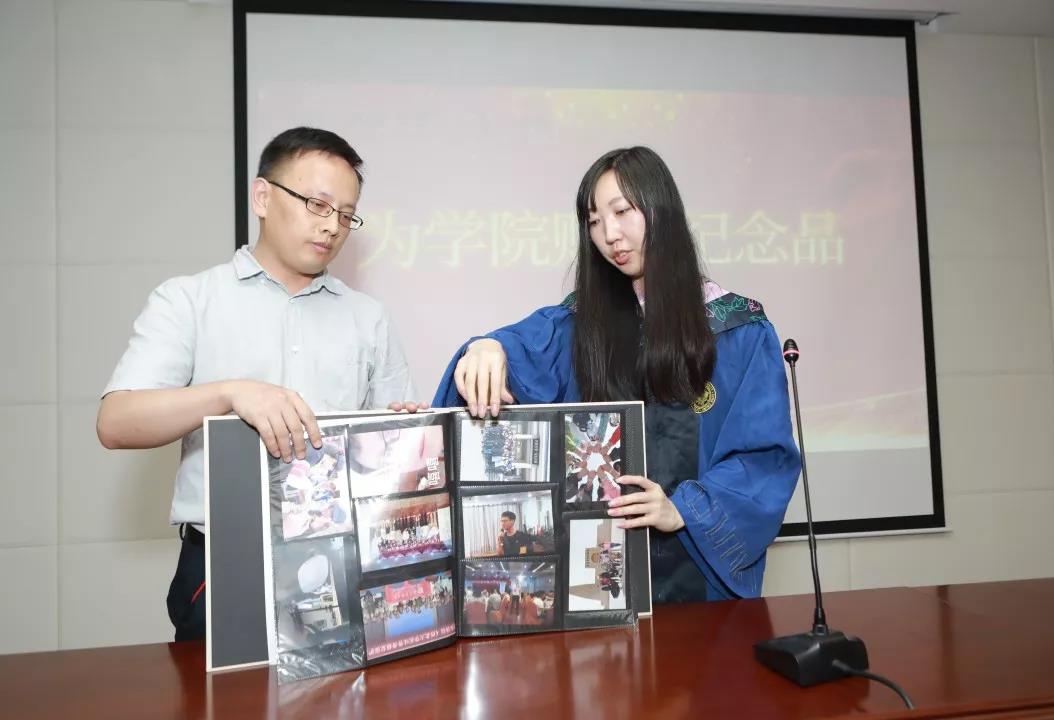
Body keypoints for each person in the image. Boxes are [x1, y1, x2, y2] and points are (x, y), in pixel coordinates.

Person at [435, 146, 800, 603]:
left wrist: (683, 510)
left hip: (700, 584)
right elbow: (521, 352)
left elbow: (763, 457)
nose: (609, 235)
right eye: (594, 221)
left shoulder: (737, 330)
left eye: (622, 212)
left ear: (661, 210)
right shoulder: (579, 326)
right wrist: (488, 348)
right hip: (596, 584)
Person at [97, 127, 421, 641]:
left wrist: (405, 437)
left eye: (346, 214)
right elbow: (116, 423)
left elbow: (392, 461)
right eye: (318, 204)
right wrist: (230, 393)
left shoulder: (369, 318)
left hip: (341, 560)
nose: (332, 226)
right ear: (263, 197)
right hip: (225, 562)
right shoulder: (189, 301)